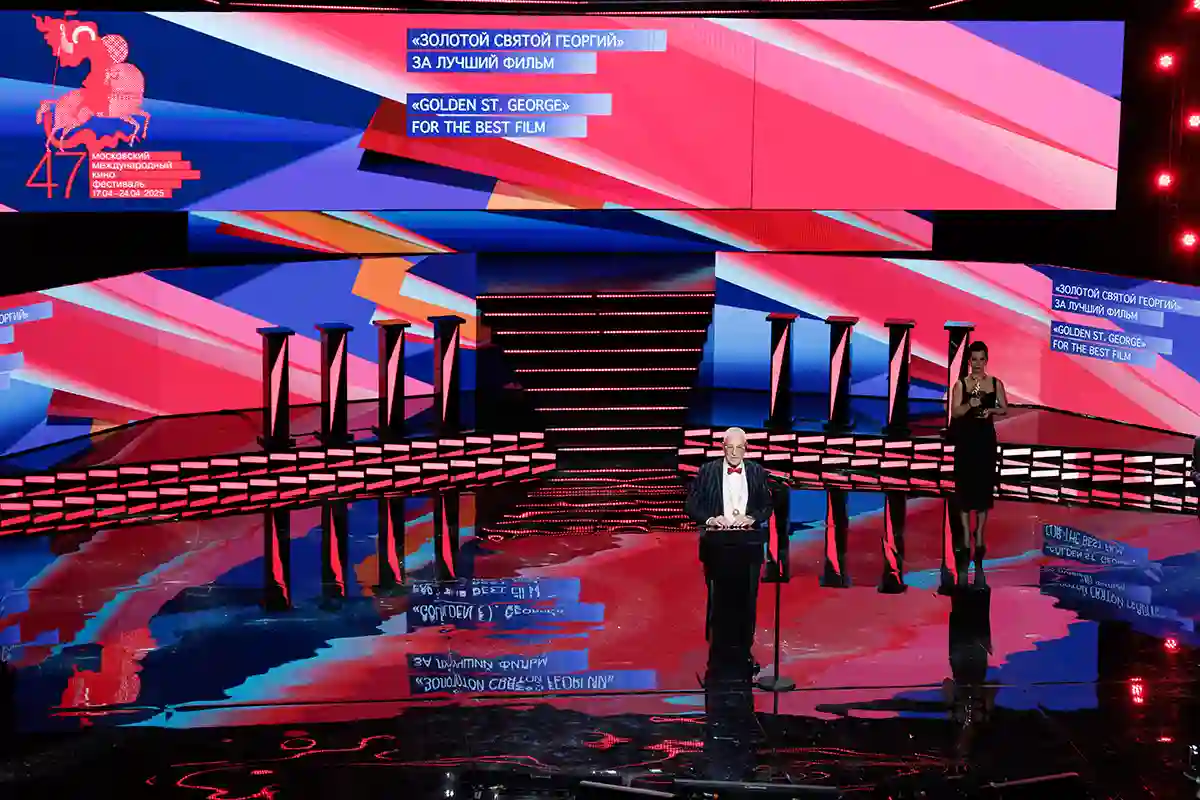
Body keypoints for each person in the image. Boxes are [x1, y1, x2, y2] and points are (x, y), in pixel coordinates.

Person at [949, 341, 1007, 588]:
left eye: (981, 359)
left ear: (986, 360)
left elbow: (1004, 408)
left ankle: (979, 532)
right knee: (965, 485)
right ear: (969, 361)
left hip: (985, 440)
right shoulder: (960, 385)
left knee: (983, 485)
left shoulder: (995, 383)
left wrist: (990, 410)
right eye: (974, 359)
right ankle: (965, 533)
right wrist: (968, 405)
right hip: (966, 440)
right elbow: (955, 412)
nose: (978, 363)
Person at [685, 427, 775, 529]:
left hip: (749, 536)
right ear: (723, 447)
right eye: (730, 447)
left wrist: (751, 518)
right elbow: (691, 506)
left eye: (739, 447)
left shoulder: (756, 470)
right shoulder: (708, 470)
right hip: (716, 535)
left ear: (746, 447)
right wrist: (711, 520)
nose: (734, 453)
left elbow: (767, 506)